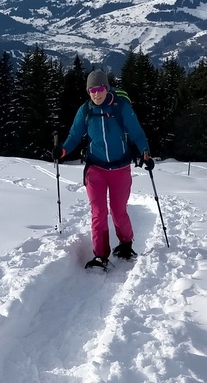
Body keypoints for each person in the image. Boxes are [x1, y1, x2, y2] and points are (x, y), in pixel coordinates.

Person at [53, 70, 154, 270]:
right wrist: (62, 150)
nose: (96, 94)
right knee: (98, 212)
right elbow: (75, 136)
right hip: (95, 168)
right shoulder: (85, 111)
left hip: (120, 168)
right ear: (88, 92)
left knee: (118, 211)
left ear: (106, 88)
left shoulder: (121, 107)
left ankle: (126, 243)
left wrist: (146, 154)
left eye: (100, 89)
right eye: (92, 90)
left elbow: (137, 133)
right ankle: (100, 255)